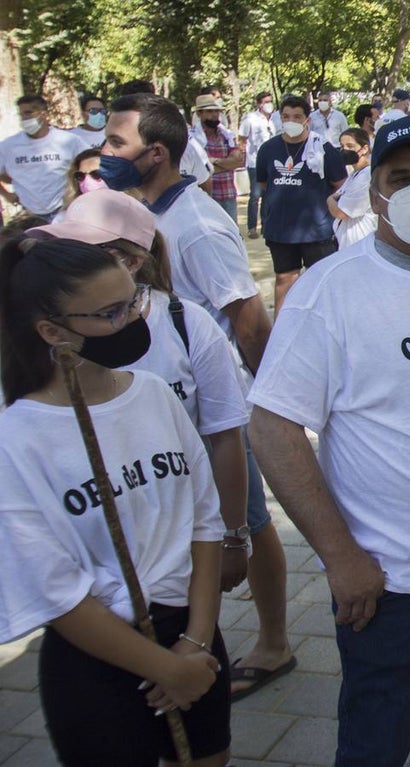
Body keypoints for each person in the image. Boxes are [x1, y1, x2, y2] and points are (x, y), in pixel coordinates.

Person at [248, 116, 410, 767]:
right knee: (376, 739)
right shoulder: (330, 293)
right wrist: (340, 555)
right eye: (401, 178)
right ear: (373, 194)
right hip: (388, 582)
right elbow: (272, 425)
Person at [0, 235, 230, 766]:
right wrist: (166, 669)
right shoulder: (18, 441)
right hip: (98, 654)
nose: (131, 320)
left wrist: (195, 644)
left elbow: (204, 523)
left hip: (190, 628)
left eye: (134, 302)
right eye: (110, 313)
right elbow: (55, 592)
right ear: (52, 331)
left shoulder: (153, 395)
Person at [101, 93, 295, 700]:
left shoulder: (197, 225)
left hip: (217, 407)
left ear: (155, 154)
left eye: (115, 143)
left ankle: (273, 642)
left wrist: (267, 409)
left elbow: (249, 319)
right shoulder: (141, 210)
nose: (103, 153)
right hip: (163, 409)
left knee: (250, 524)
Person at [28, 188, 252, 596]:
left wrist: (234, 535)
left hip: (181, 549)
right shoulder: (48, 343)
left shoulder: (186, 325)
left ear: (130, 261)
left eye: (85, 250)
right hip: (94, 568)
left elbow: (225, 437)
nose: (69, 262)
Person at [256, 94, 348, 314]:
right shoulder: (268, 149)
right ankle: (282, 332)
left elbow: (340, 185)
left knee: (322, 282)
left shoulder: (323, 148)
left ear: (308, 119)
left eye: (297, 116)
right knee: (285, 279)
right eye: (286, 116)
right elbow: (263, 182)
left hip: (316, 230)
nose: (291, 121)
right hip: (280, 228)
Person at [0, 95, 88, 219]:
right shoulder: (8, 146)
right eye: (21, 115)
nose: (24, 119)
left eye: (28, 113)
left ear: (44, 114)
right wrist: (7, 195)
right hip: (29, 214)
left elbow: (91, 161)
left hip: (63, 210)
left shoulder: (69, 141)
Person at [190, 95, 244, 222]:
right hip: (207, 196)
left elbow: (238, 161)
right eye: (209, 111)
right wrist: (226, 163)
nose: (214, 115)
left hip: (228, 193)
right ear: (199, 114)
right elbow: (201, 169)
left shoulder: (226, 135)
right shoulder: (194, 138)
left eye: (216, 111)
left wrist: (214, 161)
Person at [237, 92, 282, 239]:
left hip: (274, 162)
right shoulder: (250, 119)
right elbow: (242, 138)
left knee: (268, 195)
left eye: (270, 101)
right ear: (259, 104)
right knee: (255, 195)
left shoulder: (277, 118)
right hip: (255, 162)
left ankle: (265, 225)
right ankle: (251, 227)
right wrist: (242, 155)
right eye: (265, 102)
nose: (269, 104)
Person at [327, 128, 376, 249]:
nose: (345, 150)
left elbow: (341, 212)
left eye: (350, 146)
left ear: (364, 149)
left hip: (361, 241)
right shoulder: (354, 174)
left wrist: (329, 200)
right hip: (347, 243)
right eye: (342, 146)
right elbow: (338, 195)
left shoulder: (366, 176)